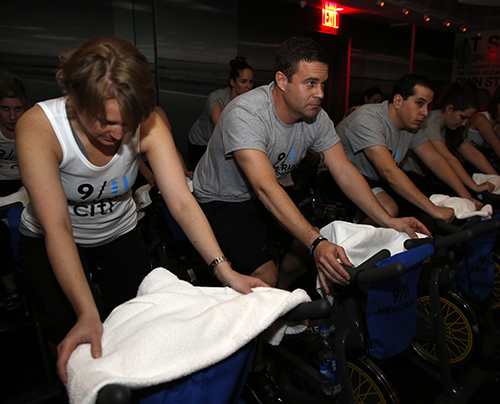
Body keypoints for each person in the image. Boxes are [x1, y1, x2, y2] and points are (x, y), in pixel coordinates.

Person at [15, 37, 267, 386]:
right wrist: (87, 313)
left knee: (135, 324)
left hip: (119, 234)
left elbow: (180, 201)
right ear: (75, 100)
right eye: (105, 122)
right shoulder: (40, 127)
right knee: (70, 327)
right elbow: (57, 226)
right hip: (53, 240)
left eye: (127, 123)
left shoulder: (146, 123)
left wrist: (225, 271)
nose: (117, 134)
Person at [336, 74, 482, 225]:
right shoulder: (368, 119)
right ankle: (350, 244)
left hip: (373, 178)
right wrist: (433, 209)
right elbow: (389, 171)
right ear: (398, 101)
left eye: (428, 106)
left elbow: (436, 160)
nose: (425, 112)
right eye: (419, 103)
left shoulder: (410, 127)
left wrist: (466, 195)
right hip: (340, 175)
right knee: (389, 209)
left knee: (426, 199)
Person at [401, 82, 497, 196]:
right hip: (408, 175)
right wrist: (474, 187)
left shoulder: (453, 129)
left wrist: (496, 177)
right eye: (463, 117)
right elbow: (446, 158)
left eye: (468, 119)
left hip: (428, 176)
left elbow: (473, 153)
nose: (464, 123)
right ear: (449, 109)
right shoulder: (429, 122)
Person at [188, 56, 254, 167]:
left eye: (251, 82)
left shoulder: (248, 101)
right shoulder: (216, 98)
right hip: (201, 143)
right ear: (233, 82)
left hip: (220, 144)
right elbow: (220, 129)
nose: (248, 86)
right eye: (243, 82)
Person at [0, 77, 29, 315]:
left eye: (17, 109)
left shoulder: (33, 126)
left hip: (28, 181)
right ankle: (11, 289)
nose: (12, 116)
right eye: (5, 109)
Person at [467, 88, 500, 172]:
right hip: (464, 161)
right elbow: (497, 148)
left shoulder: (497, 124)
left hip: (473, 160)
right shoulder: (481, 119)